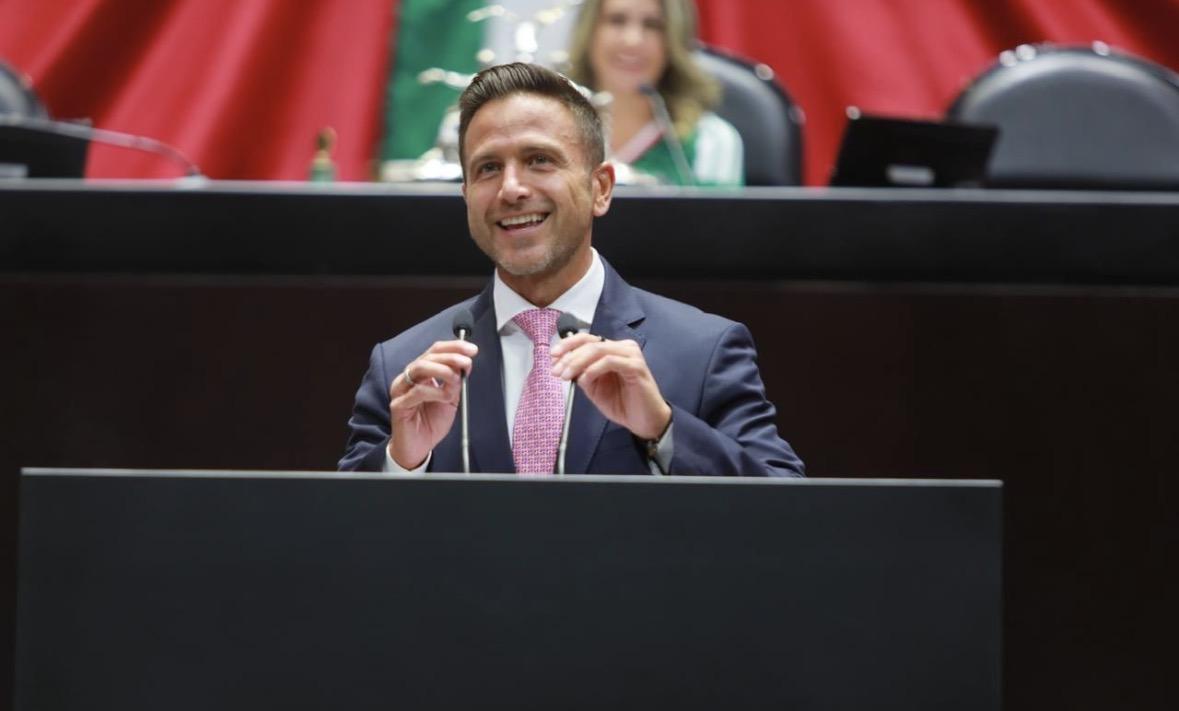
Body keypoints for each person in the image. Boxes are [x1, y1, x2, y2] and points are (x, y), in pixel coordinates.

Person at [339, 62, 800, 477]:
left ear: (601, 188)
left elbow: (786, 514)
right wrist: (403, 463)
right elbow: (342, 533)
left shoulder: (702, 351)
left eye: (539, 160)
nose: (511, 189)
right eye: (488, 168)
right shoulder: (403, 366)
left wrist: (663, 428)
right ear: (466, 197)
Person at [565, 0, 743, 186]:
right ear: (589, 31)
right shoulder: (553, 130)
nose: (632, 40)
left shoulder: (711, 140)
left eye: (653, 25)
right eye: (617, 20)